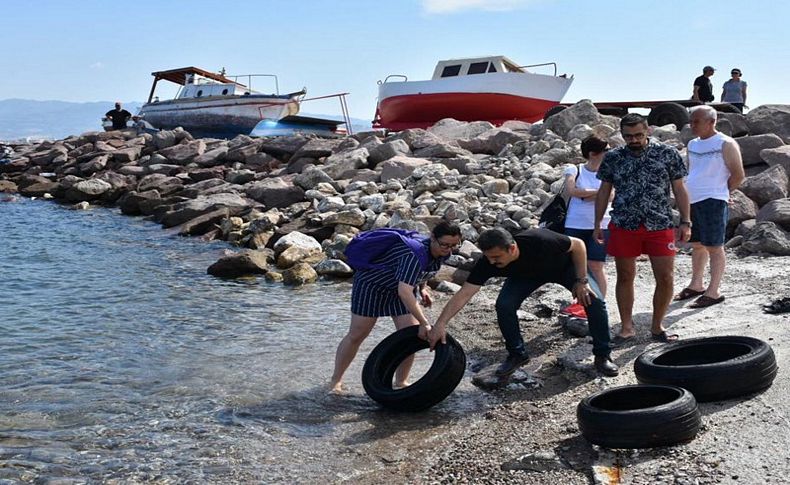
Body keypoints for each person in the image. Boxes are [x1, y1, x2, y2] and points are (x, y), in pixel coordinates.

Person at [425, 227, 619, 377]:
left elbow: (578, 245)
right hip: (527, 276)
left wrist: (582, 281)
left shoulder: (539, 240)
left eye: (496, 257)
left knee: (594, 301)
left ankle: (602, 355)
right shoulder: (488, 263)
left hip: (564, 267)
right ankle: (517, 354)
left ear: (512, 248)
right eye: (488, 258)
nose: (492, 263)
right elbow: (464, 293)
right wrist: (440, 324)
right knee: (504, 305)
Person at [329, 221, 462, 393]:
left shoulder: (441, 251)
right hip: (372, 285)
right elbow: (405, 292)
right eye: (444, 245)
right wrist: (425, 322)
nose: (448, 250)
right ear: (433, 238)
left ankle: (401, 382)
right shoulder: (413, 253)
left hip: (400, 288)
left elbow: (424, 269)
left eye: (453, 245)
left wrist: (423, 288)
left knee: (411, 334)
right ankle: (335, 381)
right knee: (357, 334)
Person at [593, 113, 691, 344]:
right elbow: (604, 191)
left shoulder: (667, 154)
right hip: (624, 223)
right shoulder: (613, 158)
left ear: (647, 130)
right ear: (622, 135)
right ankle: (626, 327)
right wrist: (598, 223)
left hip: (660, 223)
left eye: (638, 134)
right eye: (628, 136)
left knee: (666, 277)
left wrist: (686, 221)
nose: (634, 140)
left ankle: (657, 327)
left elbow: (679, 189)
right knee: (625, 276)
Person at [674, 106, 745, 308]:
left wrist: (723, 193)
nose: (692, 125)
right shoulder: (693, 144)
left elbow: (738, 174)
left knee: (714, 246)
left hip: (713, 199)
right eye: (691, 121)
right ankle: (697, 284)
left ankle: (714, 291)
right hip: (692, 199)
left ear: (711, 122)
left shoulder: (725, 143)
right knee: (697, 244)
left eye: (697, 121)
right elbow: (692, 170)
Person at [564, 135, 613, 300]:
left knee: (596, 265)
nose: (609, 153)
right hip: (575, 223)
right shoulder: (574, 169)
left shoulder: (608, 171)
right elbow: (571, 191)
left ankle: (600, 302)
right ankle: (580, 302)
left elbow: (611, 195)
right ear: (593, 153)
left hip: (602, 224)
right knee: (577, 266)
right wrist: (600, 193)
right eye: (606, 150)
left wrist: (585, 194)